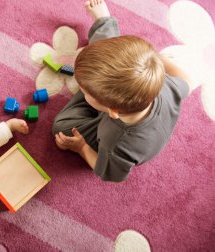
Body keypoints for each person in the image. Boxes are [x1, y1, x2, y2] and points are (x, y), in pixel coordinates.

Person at [52, 0, 193, 182]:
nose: (80, 87)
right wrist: (153, 61)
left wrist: (82, 148)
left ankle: (105, 33)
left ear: (112, 111)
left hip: (119, 131)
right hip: (123, 111)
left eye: (86, 90)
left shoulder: (116, 143)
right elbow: (187, 80)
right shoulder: (161, 82)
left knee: (61, 127)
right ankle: (104, 23)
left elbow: (110, 174)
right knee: (112, 56)